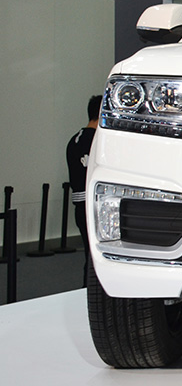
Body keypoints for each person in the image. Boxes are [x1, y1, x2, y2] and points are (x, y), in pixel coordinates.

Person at [66, 94, 102, 287]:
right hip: (95, 208)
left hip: (80, 206)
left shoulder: (74, 140)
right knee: (98, 259)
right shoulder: (98, 141)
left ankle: (86, 290)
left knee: (89, 256)